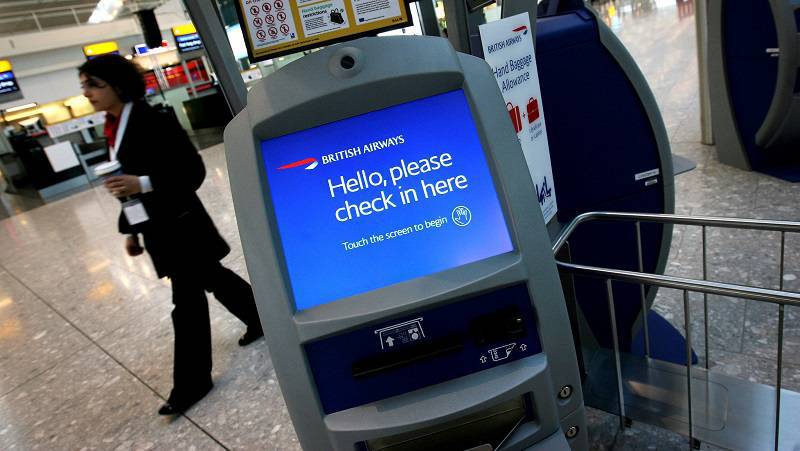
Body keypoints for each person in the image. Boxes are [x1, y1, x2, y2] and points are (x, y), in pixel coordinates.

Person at [79, 54, 263, 416]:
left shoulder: (152, 120)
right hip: (159, 228)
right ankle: (260, 317)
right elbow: (123, 183)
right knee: (214, 277)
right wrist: (131, 231)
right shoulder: (113, 127)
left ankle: (193, 382)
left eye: (94, 85)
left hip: (181, 226)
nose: (87, 93)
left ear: (118, 85)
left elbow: (191, 171)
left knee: (187, 303)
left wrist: (143, 182)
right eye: (85, 85)